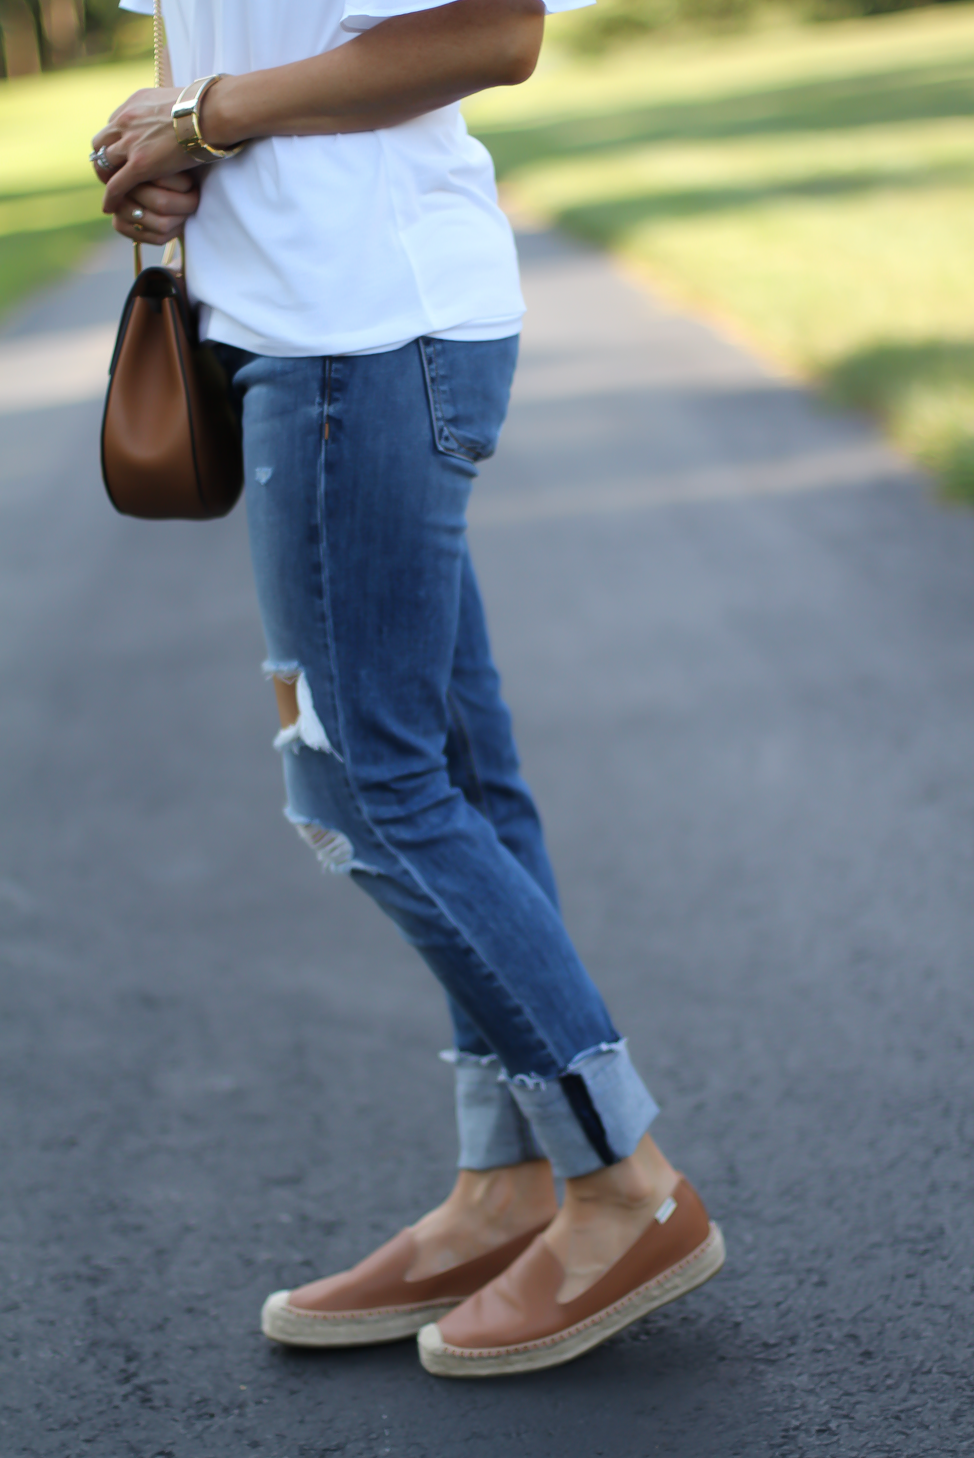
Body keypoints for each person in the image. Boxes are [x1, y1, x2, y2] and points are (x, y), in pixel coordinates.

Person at [91, 0, 723, 1378]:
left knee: (365, 787)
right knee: (453, 773)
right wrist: (158, 147)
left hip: (364, 338)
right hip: (286, 333)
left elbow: (492, 31)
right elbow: (192, 50)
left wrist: (210, 118)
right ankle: (507, 1178)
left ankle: (622, 1177)